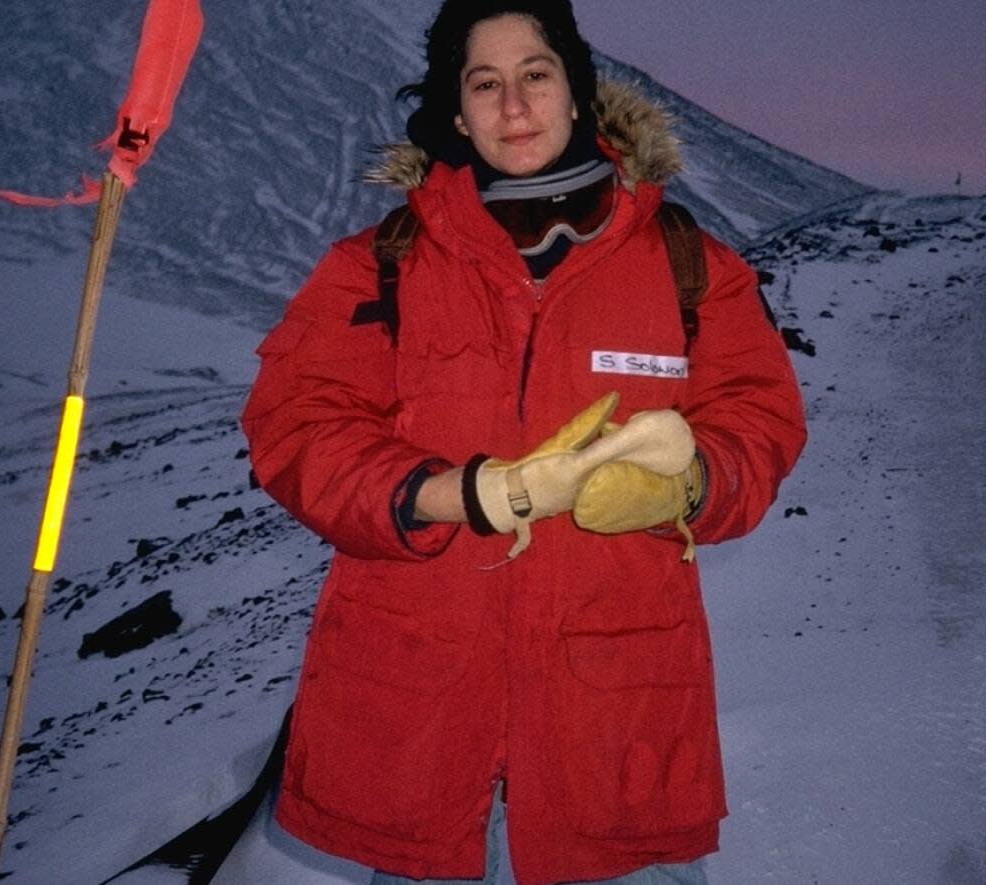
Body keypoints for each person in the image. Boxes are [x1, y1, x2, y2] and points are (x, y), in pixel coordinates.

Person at [240, 2, 806, 883]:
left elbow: (761, 425)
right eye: (485, 83)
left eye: (536, 74)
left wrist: (690, 482)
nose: (514, 106)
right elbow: (297, 427)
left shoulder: (690, 265)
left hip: (614, 743)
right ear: (457, 113)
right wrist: (462, 495)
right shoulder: (378, 264)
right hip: (420, 742)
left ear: (578, 93)